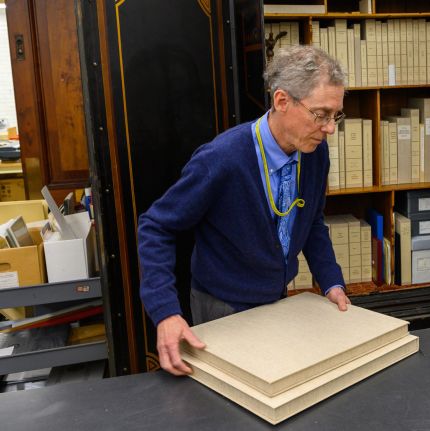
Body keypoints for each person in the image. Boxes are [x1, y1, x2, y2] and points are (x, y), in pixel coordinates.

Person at [137, 45, 350, 376]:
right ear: (282, 101)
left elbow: (311, 223)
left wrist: (331, 281)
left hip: (275, 298)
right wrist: (165, 312)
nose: (330, 128)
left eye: (335, 115)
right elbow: (155, 226)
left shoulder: (315, 153)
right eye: (320, 114)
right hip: (222, 306)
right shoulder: (221, 159)